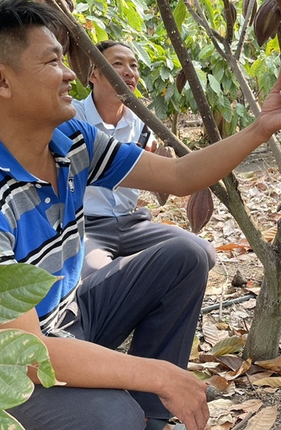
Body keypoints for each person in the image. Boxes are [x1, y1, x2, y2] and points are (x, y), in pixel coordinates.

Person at [0, 0, 281, 430]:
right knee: (111, 420)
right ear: (1, 80)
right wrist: (159, 375)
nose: (70, 74)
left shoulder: (70, 140)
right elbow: (24, 356)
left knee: (184, 256)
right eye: (52, 61)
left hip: (65, 320)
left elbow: (178, 176)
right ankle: (118, 428)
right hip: (0, 369)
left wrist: (263, 126)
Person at [73, 40, 217, 275]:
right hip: (87, 227)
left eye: (134, 65)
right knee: (97, 275)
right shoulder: (74, 118)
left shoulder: (143, 124)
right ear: (93, 74)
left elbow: (169, 173)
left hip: (132, 223)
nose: (129, 72)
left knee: (202, 252)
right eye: (117, 64)